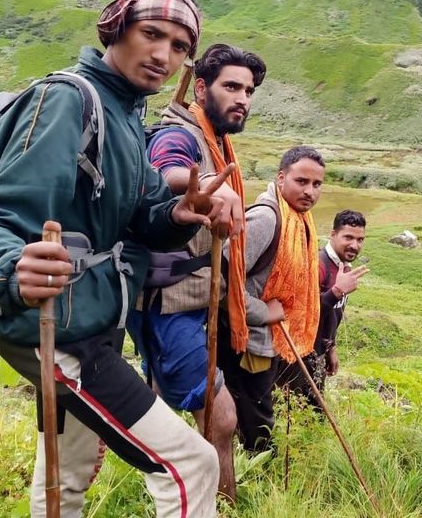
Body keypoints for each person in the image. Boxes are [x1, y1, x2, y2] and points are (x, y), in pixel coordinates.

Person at [0, 0, 234, 517]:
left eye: (179, 47)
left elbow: (146, 214)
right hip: (56, 328)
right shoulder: (67, 101)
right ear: (116, 27)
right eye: (151, 34)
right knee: (192, 464)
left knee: (68, 474)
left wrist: (180, 212)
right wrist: (14, 267)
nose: (163, 55)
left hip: (90, 322)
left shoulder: (129, 113)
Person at [128, 43, 266, 495]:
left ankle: (177, 491)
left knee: (185, 408)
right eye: (231, 86)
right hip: (168, 303)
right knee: (220, 417)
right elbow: (165, 166)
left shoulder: (216, 139)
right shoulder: (181, 135)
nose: (242, 98)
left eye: (247, 90)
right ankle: (215, 503)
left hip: (195, 297)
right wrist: (206, 184)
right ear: (201, 87)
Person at [217, 145, 325, 452]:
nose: (310, 191)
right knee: (257, 420)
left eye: (317, 184)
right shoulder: (267, 219)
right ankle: (256, 481)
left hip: (270, 337)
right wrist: (262, 312)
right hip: (246, 341)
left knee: (256, 411)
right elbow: (221, 278)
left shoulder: (301, 221)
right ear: (281, 179)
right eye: (301, 181)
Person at [277, 209, 369, 408]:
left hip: (317, 353)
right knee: (296, 415)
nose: (355, 245)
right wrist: (336, 291)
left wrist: (330, 348)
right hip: (298, 355)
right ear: (333, 234)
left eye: (360, 239)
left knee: (314, 418)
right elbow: (298, 312)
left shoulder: (343, 266)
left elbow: (331, 314)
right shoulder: (317, 265)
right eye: (348, 237)